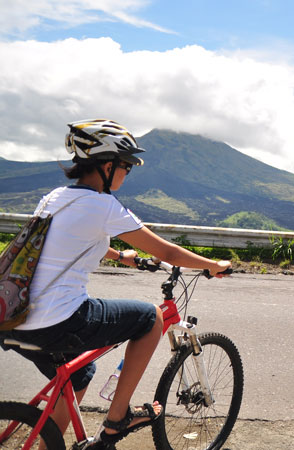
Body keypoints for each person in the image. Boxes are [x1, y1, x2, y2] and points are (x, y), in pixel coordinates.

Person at [0, 119, 232, 448]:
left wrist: (122, 257)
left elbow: (66, 239)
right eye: (127, 165)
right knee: (151, 318)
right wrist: (213, 265)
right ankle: (116, 420)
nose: (127, 172)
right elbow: (166, 250)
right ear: (108, 165)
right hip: (56, 321)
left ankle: (47, 444)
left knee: (78, 376)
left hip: (14, 319)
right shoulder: (103, 204)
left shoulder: (56, 197)